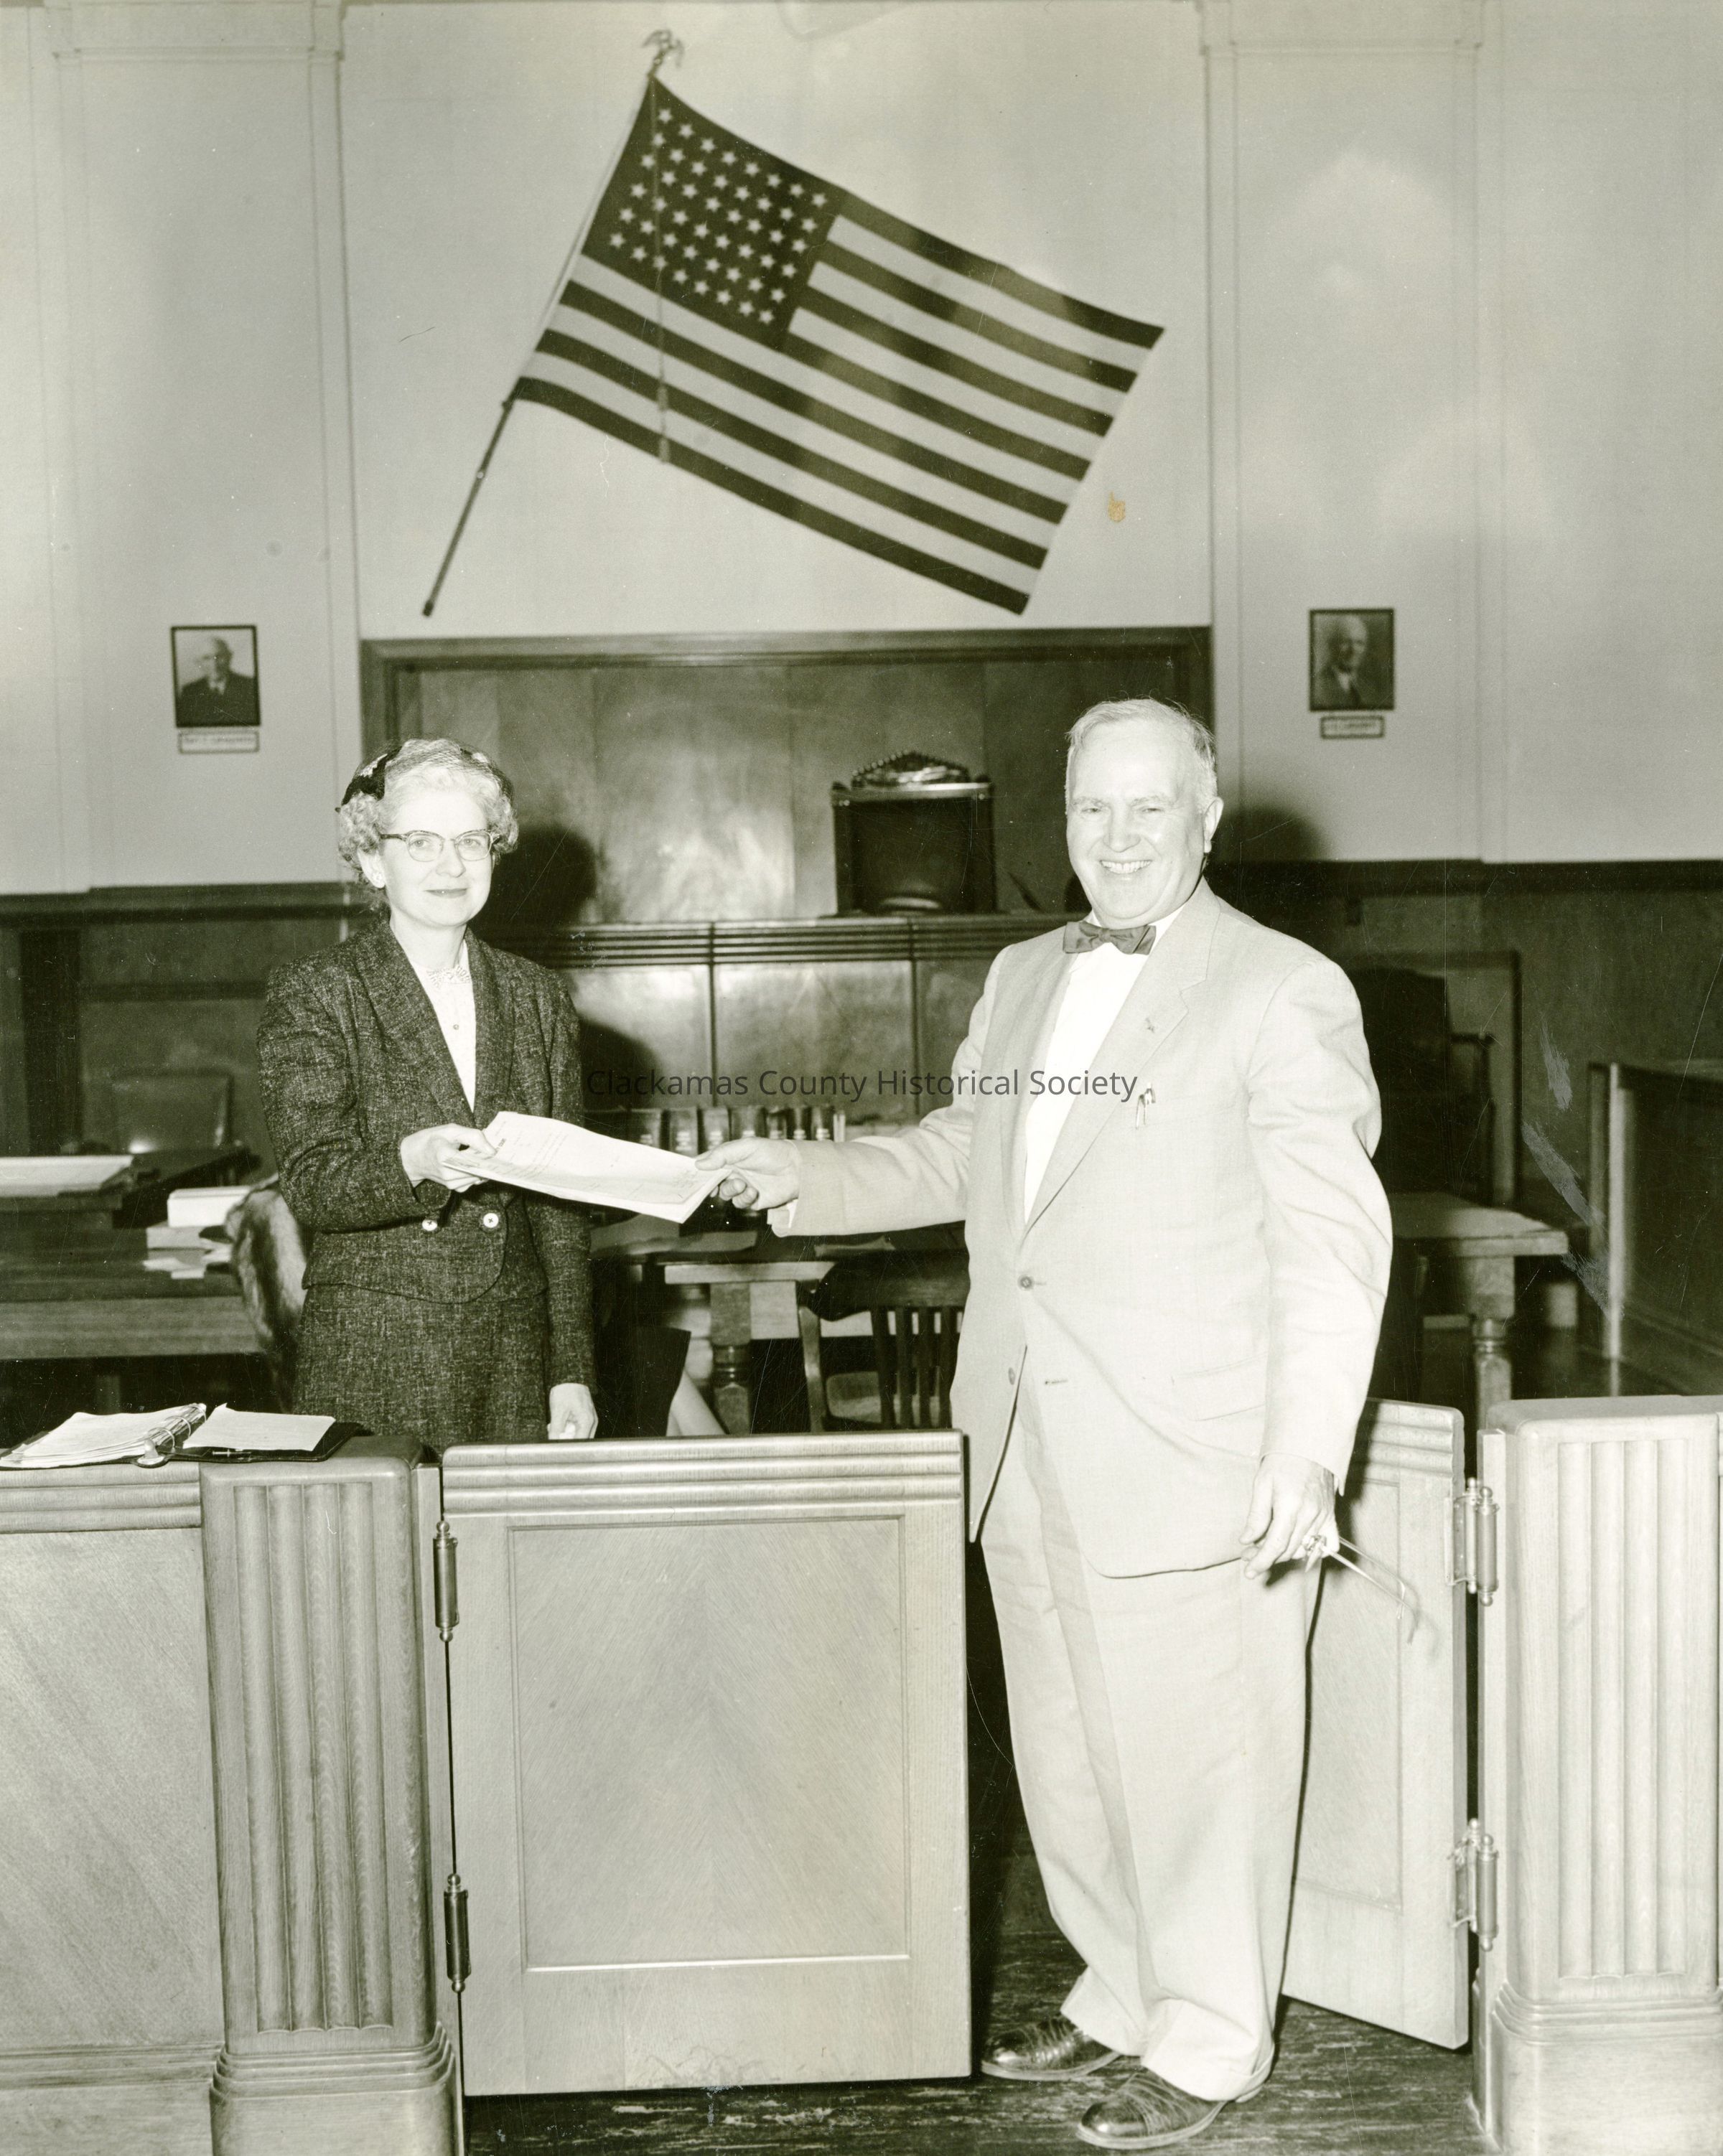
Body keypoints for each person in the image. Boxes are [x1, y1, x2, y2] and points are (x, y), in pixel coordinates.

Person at [701, 700, 1390, 2151]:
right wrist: (806, 1177)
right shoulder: (1021, 975)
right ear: (1060, 818)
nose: (1119, 837)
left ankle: (1211, 2038)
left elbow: (1335, 1243)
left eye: (1151, 808)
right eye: (1093, 809)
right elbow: (969, 1151)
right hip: (1023, 1433)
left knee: (1202, 1763)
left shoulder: (1285, 988)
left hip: (1194, 1445)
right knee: (1070, 1749)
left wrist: (1307, 1446)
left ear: (1208, 818)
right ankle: (1123, 1986)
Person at [257, 736, 597, 1450]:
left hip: (514, 1351)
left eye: (472, 841)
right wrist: (411, 1162)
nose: (452, 865)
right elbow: (312, 1183)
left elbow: (561, 1209)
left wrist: (571, 1368)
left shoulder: (537, 996)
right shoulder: (318, 992)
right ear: (373, 860)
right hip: (376, 1347)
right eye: (422, 843)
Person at [177, 635, 260, 728]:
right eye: (206, 658)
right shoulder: (189, 692)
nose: (214, 665)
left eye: (219, 657)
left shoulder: (251, 686)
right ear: (198, 662)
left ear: (229, 657)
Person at [1311, 614, 1383, 711]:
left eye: (1359, 643)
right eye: (1346, 642)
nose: (1353, 650)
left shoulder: (1372, 687)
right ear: (1332, 646)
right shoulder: (1317, 686)